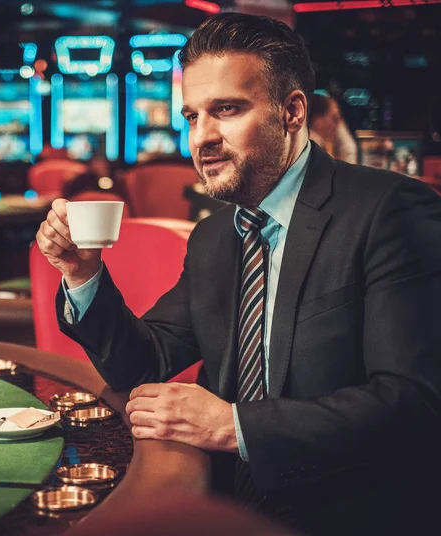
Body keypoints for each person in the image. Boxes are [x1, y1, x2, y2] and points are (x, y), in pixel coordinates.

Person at [36, 13, 441, 536]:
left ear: (292, 111)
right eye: (191, 116)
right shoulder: (213, 236)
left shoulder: (391, 210)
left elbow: (415, 403)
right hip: (223, 502)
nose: (201, 138)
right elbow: (146, 362)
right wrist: (82, 273)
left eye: (226, 110)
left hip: (346, 510)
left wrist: (234, 426)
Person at [309, 93, 358, 164]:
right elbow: (349, 153)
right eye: (335, 118)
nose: (339, 125)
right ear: (318, 120)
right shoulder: (316, 149)